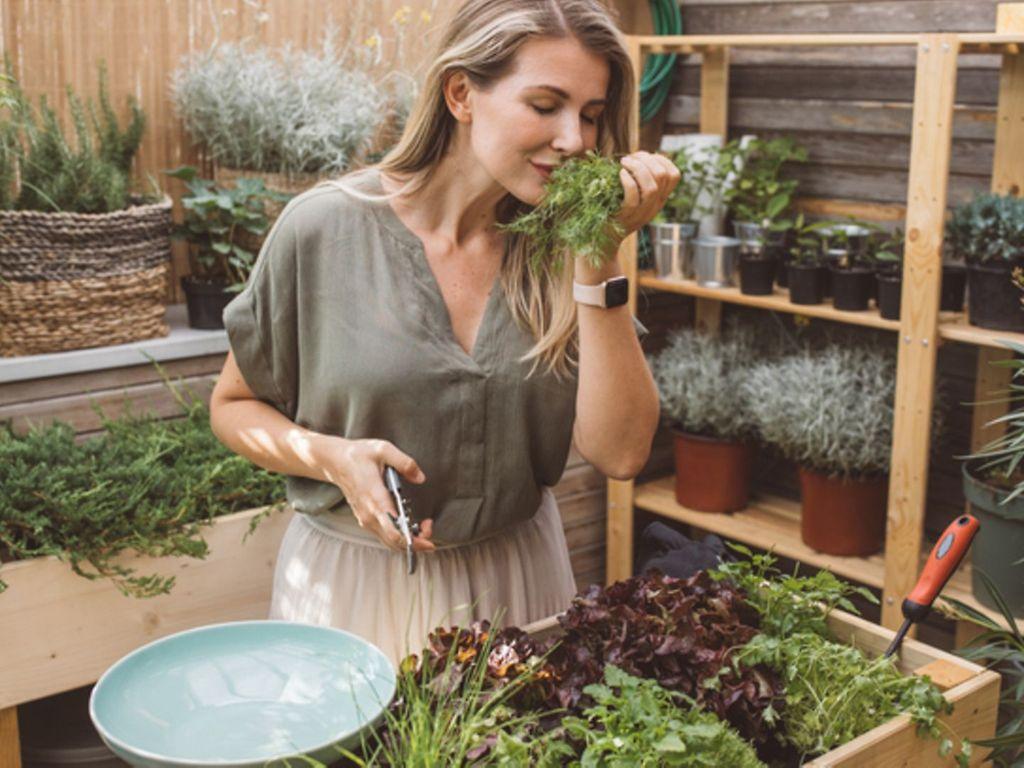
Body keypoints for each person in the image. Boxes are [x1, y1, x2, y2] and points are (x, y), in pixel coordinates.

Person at [209, 0, 676, 664]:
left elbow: (623, 453)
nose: (575, 139)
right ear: (462, 93)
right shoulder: (322, 230)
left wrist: (599, 254)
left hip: (521, 585)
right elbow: (233, 406)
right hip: (354, 590)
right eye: (545, 105)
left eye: (593, 115)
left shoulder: (564, 247)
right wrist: (329, 457)